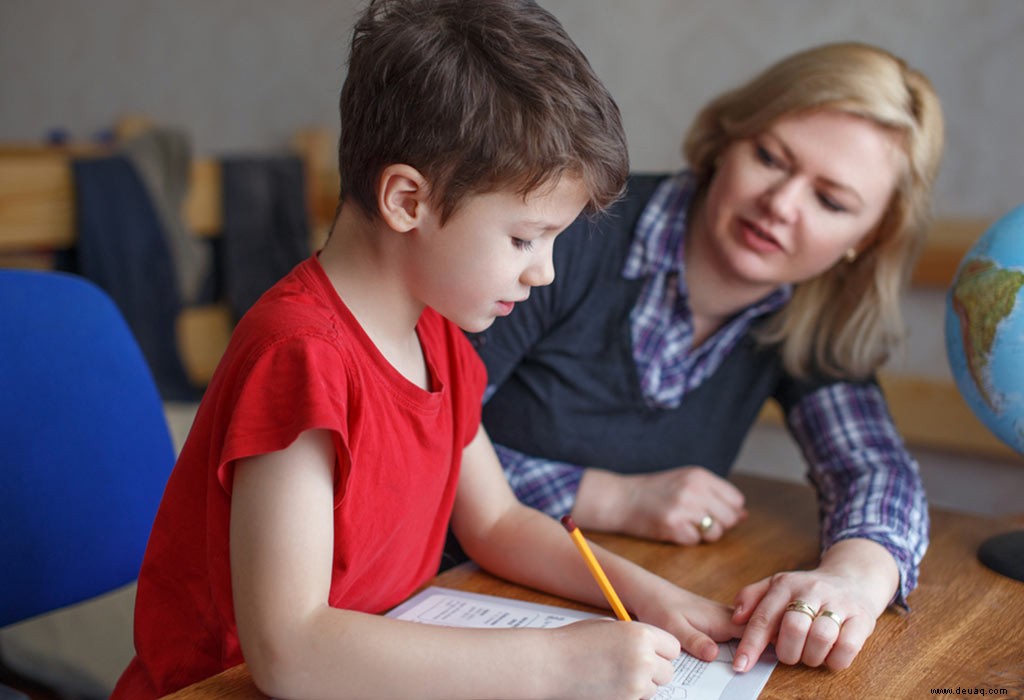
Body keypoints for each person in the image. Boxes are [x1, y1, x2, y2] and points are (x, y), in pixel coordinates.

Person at [111, 2, 744, 698]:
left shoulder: (436, 331)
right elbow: (288, 652)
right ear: (407, 200)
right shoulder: (300, 357)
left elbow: (497, 523)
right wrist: (556, 665)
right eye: (524, 239)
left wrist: (653, 597)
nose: (546, 272)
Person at [471, 41, 944, 674]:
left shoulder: (807, 313)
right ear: (726, 139)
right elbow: (413, 436)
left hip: (624, 610)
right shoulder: (567, 229)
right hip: (457, 590)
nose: (781, 205)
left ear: (868, 238)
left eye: (831, 202)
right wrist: (611, 499)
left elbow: (872, 465)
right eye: (770, 158)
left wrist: (853, 579)